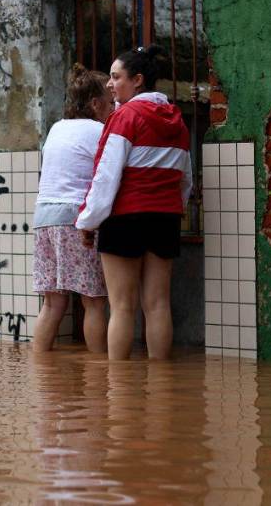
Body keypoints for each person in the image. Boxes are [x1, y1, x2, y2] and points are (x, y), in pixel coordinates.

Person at [75, 45, 192, 361]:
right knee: (157, 304)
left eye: (116, 77)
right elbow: (185, 180)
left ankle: (120, 393)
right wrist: (171, 208)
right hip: (165, 219)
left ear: (137, 80)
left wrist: (88, 221)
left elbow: (105, 178)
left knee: (122, 306)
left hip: (126, 218)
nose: (110, 85)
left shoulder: (124, 117)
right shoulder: (178, 122)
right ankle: (162, 390)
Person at [32, 64, 113, 353]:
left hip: (43, 217)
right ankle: (101, 375)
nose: (114, 107)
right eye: (111, 101)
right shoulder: (99, 130)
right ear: (95, 103)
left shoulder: (57, 127)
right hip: (73, 219)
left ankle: (40, 371)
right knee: (93, 301)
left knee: (52, 302)